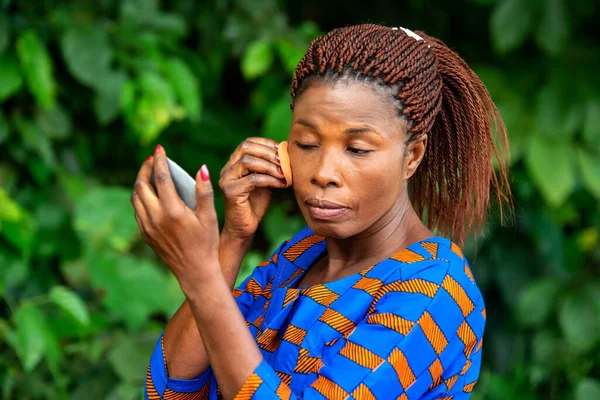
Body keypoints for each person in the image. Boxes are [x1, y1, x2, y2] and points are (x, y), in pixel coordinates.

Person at [132, 24, 511, 400]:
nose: (323, 173)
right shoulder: (301, 256)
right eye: (307, 143)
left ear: (411, 155)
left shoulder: (433, 291)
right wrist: (233, 239)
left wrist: (201, 278)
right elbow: (170, 390)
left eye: (358, 149)